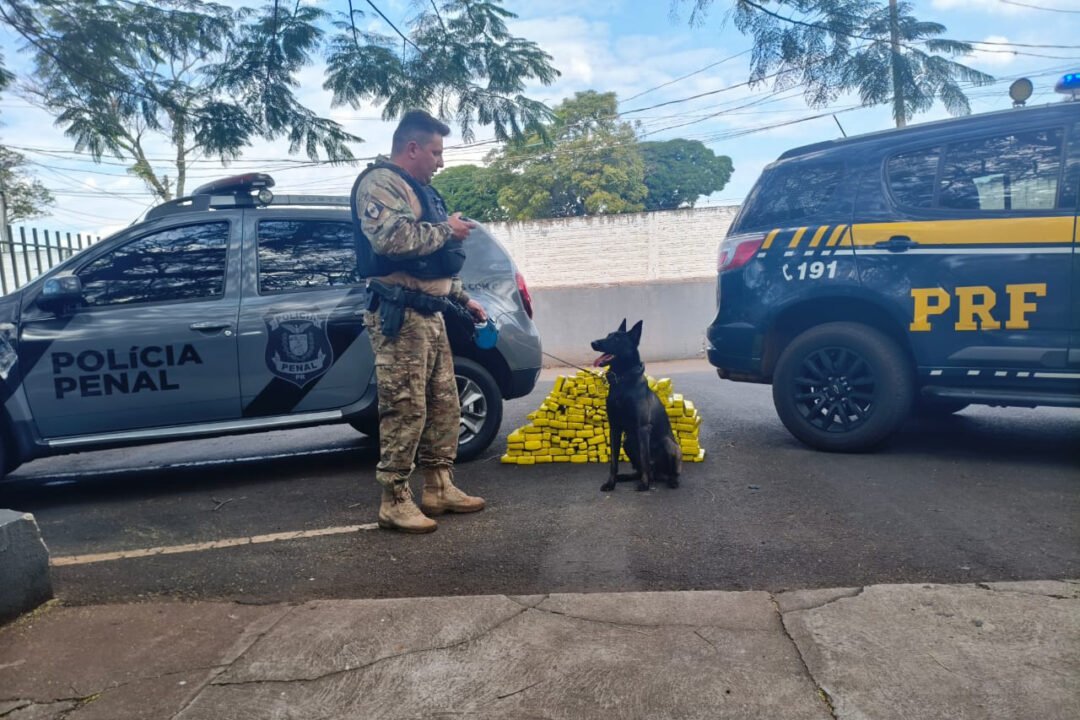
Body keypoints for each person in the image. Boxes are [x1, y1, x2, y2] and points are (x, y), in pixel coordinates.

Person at [350, 109, 488, 534]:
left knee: (444, 405)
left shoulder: (420, 190)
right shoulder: (381, 184)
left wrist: (464, 298)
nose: (440, 161)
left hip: (430, 314)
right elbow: (392, 239)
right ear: (412, 148)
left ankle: (438, 485)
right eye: (435, 151)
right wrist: (447, 230)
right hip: (399, 316)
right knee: (405, 409)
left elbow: (431, 266)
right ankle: (394, 499)